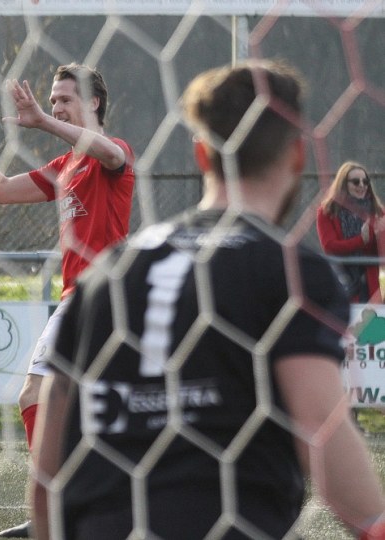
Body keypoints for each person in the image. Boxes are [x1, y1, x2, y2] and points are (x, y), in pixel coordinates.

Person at [30, 60, 385, 540]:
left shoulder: (108, 274)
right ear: (297, 156)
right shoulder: (288, 270)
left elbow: (48, 466)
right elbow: (321, 426)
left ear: (202, 156)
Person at [0, 63, 135, 538]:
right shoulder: (66, 166)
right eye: (52, 102)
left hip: (100, 294)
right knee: (83, 412)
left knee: (36, 394)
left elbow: (110, 153)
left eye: (65, 99)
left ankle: (57, 510)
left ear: (94, 103)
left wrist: (45, 124)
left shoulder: (113, 152)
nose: (54, 107)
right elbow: (2, 191)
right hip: (85, 300)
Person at [317, 161, 385, 303]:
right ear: (343, 184)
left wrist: (380, 234)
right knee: (344, 323)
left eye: (365, 181)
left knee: (373, 324)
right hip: (342, 278)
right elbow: (330, 246)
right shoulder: (327, 211)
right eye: (355, 181)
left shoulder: (378, 212)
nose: (362, 185)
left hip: (372, 283)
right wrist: (361, 240)